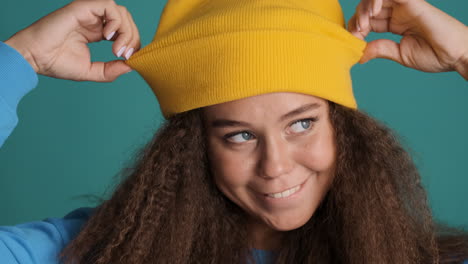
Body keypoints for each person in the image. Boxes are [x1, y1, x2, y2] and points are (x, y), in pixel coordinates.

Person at [0, 0, 467, 264]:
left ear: (342, 128)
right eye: (239, 135)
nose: (277, 166)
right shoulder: (96, 252)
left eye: (302, 124)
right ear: (195, 148)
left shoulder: (414, 257)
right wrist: (22, 57)